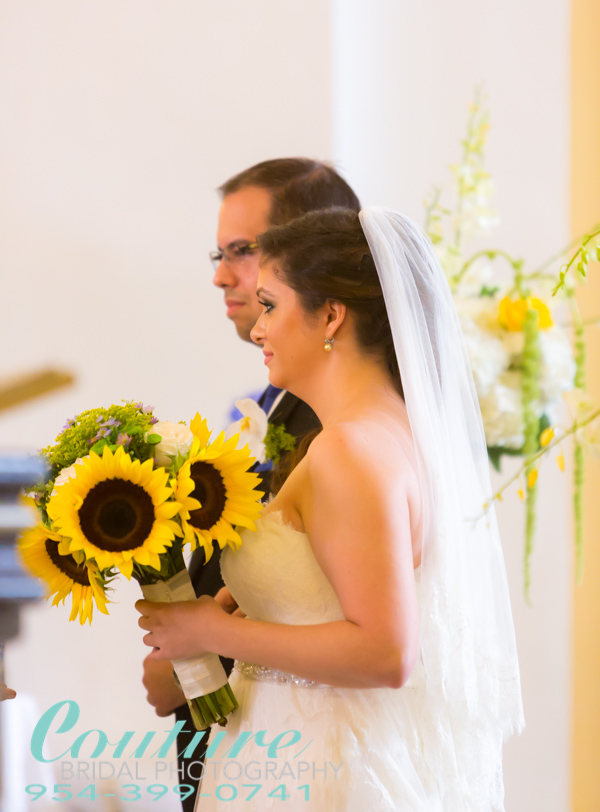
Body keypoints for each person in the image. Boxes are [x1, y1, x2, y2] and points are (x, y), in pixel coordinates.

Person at [137, 207, 524, 811]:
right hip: (301, 745)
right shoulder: (388, 433)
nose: (259, 330)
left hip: (316, 762)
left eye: (270, 305)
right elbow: (322, 599)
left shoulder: (349, 449)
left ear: (331, 316)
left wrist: (209, 630)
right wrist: (204, 629)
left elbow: (386, 651)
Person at [141, 159, 360, 811]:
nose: (221, 275)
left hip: (298, 752)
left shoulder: (338, 425)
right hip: (244, 746)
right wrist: (187, 660)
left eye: (242, 251)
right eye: (221, 252)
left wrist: (201, 654)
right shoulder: (272, 404)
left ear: (307, 255)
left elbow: (338, 609)